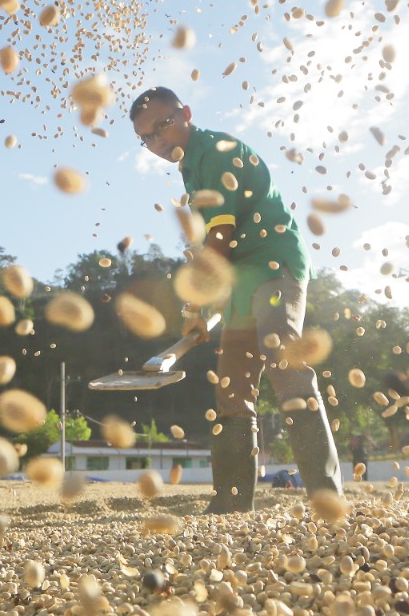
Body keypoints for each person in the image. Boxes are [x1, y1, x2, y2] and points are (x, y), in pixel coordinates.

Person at [129, 86, 342, 513]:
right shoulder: (190, 169)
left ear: (186, 113)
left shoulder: (217, 152)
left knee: (285, 365)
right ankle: (229, 504)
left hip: (273, 264)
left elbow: (221, 238)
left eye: (163, 125)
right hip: (242, 281)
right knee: (232, 387)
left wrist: (195, 307)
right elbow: (208, 251)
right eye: (147, 137)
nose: (158, 142)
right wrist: (203, 309)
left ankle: (326, 498)